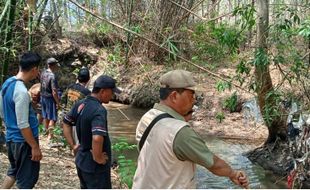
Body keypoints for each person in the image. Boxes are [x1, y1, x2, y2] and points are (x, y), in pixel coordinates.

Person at [132, 70, 249, 189]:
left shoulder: (148, 117)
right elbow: (214, 164)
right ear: (174, 96)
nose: (194, 100)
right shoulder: (180, 132)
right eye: (191, 95)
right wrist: (233, 174)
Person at [62, 75, 121, 189]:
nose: (112, 95)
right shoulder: (99, 110)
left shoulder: (81, 104)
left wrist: (73, 145)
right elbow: (97, 138)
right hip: (95, 168)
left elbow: (66, 123)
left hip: (82, 161)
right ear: (103, 91)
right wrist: (98, 157)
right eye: (111, 92)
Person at [0, 52, 43, 189]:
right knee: (26, 180)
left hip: (11, 139)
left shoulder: (7, 84)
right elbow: (23, 124)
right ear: (34, 69)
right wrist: (34, 147)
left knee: (13, 171)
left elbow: (2, 112)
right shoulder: (22, 92)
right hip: (23, 142)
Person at [61, 67, 91, 145]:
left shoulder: (70, 87)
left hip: (66, 117)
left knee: (69, 140)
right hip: (77, 120)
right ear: (88, 80)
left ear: (77, 78)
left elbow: (63, 99)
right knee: (77, 142)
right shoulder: (87, 93)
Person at [40, 57, 60, 140]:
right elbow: (54, 91)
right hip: (50, 98)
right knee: (52, 117)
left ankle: (45, 132)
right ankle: (50, 136)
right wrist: (58, 102)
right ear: (54, 65)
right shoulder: (52, 76)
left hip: (42, 97)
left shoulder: (43, 73)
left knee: (45, 115)